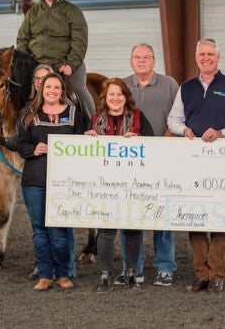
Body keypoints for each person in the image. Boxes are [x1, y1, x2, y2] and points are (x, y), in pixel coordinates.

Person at [167, 38, 225, 293]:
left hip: (222, 162)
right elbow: (173, 119)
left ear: (218, 57)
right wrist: (183, 130)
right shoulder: (185, 88)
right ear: (196, 58)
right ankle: (200, 275)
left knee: (219, 219)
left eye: (211, 54)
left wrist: (221, 132)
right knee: (193, 219)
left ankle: (216, 275)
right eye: (202, 54)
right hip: (191, 161)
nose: (206, 58)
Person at [115, 43, 179, 287]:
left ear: (154, 61)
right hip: (129, 160)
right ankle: (133, 268)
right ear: (131, 62)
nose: (141, 61)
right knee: (130, 215)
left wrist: (162, 145)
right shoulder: (121, 85)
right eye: (137, 57)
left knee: (162, 215)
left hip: (162, 158)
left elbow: (178, 117)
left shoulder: (169, 84)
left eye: (146, 57)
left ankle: (165, 268)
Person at [84, 78, 154, 292]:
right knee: (106, 230)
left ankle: (132, 272)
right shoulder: (95, 120)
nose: (115, 98)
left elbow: (154, 147)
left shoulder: (138, 118)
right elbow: (84, 155)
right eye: (111, 94)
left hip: (133, 183)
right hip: (104, 184)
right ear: (104, 98)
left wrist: (139, 139)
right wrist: (88, 138)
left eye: (119, 94)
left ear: (126, 97)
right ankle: (105, 274)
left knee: (132, 229)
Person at [17, 72, 85, 290]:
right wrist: (33, 149)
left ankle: (63, 274)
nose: (53, 91)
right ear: (41, 89)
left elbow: (83, 142)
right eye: (48, 88)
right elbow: (20, 144)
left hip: (64, 182)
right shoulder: (29, 113)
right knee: (39, 230)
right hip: (35, 180)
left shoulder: (74, 112)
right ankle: (45, 275)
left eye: (57, 87)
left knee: (59, 230)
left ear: (62, 90)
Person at [16, 0, 95, 126]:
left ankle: (93, 124)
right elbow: (22, 39)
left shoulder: (73, 12)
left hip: (64, 64)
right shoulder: (33, 12)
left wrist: (71, 64)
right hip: (37, 65)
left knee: (79, 91)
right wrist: (26, 63)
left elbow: (79, 41)